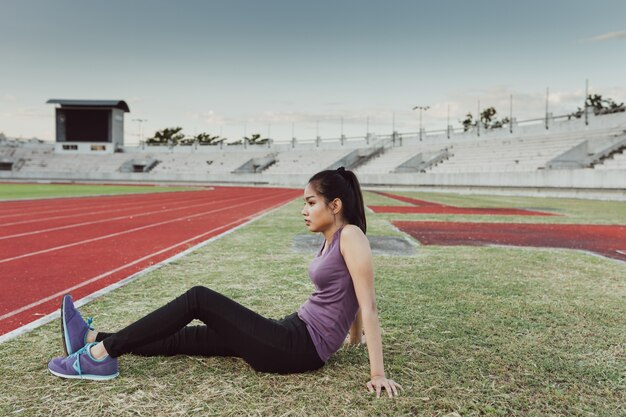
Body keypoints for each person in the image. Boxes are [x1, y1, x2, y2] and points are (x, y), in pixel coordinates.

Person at [48, 167, 402, 398]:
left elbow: (367, 303)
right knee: (186, 338)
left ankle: (100, 356)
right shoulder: (331, 237)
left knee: (199, 298)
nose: (304, 210)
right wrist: (352, 338)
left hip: (297, 348)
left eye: (311, 202)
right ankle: (92, 339)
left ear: (335, 204)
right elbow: (349, 294)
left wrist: (377, 372)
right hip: (291, 331)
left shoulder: (352, 236)